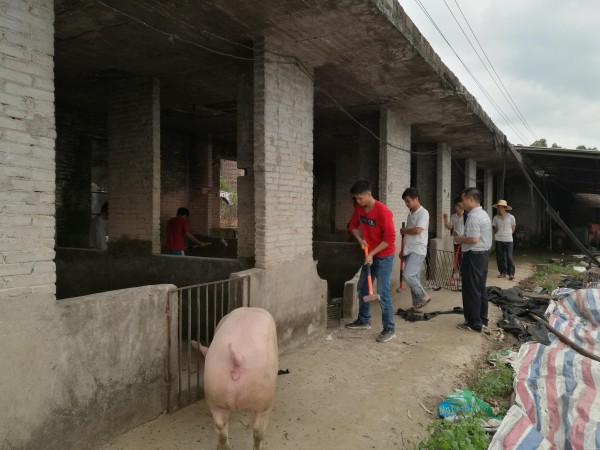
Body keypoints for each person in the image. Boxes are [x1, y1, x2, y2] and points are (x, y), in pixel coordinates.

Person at [344, 180, 397, 343]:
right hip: (370, 254)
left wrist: (372, 253)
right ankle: (364, 320)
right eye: (356, 198)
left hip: (385, 255)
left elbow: (390, 239)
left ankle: (389, 329)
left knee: (382, 292)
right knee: (363, 287)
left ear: (369, 194)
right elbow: (352, 226)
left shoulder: (383, 212)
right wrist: (360, 240)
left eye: (360, 198)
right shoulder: (359, 208)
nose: (357, 201)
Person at [453, 187, 492, 333]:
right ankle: (482, 319)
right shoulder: (483, 214)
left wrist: (460, 238)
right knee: (480, 288)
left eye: (463, 199)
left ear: (470, 200)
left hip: (473, 256)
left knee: (471, 290)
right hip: (482, 255)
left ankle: (474, 323)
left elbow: (474, 239)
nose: (461, 202)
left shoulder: (473, 217)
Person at [400, 187, 430, 311]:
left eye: (408, 201)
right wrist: (403, 250)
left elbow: (417, 230)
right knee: (414, 278)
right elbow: (408, 235)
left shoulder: (423, 213)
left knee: (408, 276)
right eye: (405, 202)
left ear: (416, 199)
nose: (406, 204)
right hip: (409, 249)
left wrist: (404, 230)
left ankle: (424, 296)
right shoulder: (411, 213)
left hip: (418, 249)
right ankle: (416, 305)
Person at [492, 199, 516, 280]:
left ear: (505, 208)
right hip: (499, 239)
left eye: (501, 207)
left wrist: (508, 234)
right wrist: (499, 233)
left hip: (508, 240)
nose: (500, 209)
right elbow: (495, 228)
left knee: (509, 256)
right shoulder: (495, 218)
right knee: (500, 257)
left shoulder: (511, 217)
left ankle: (511, 273)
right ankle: (502, 272)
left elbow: (513, 227)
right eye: (498, 207)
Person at [444, 196, 465, 273]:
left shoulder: (466, 216)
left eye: (458, 205)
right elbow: (450, 227)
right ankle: (460, 273)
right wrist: (445, 220)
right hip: (456, 241)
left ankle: (463, 273)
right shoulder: (453, 216)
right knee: (457, 257)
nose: (456, 207)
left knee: (464, 258)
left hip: (464, 241)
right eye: (455, 206)